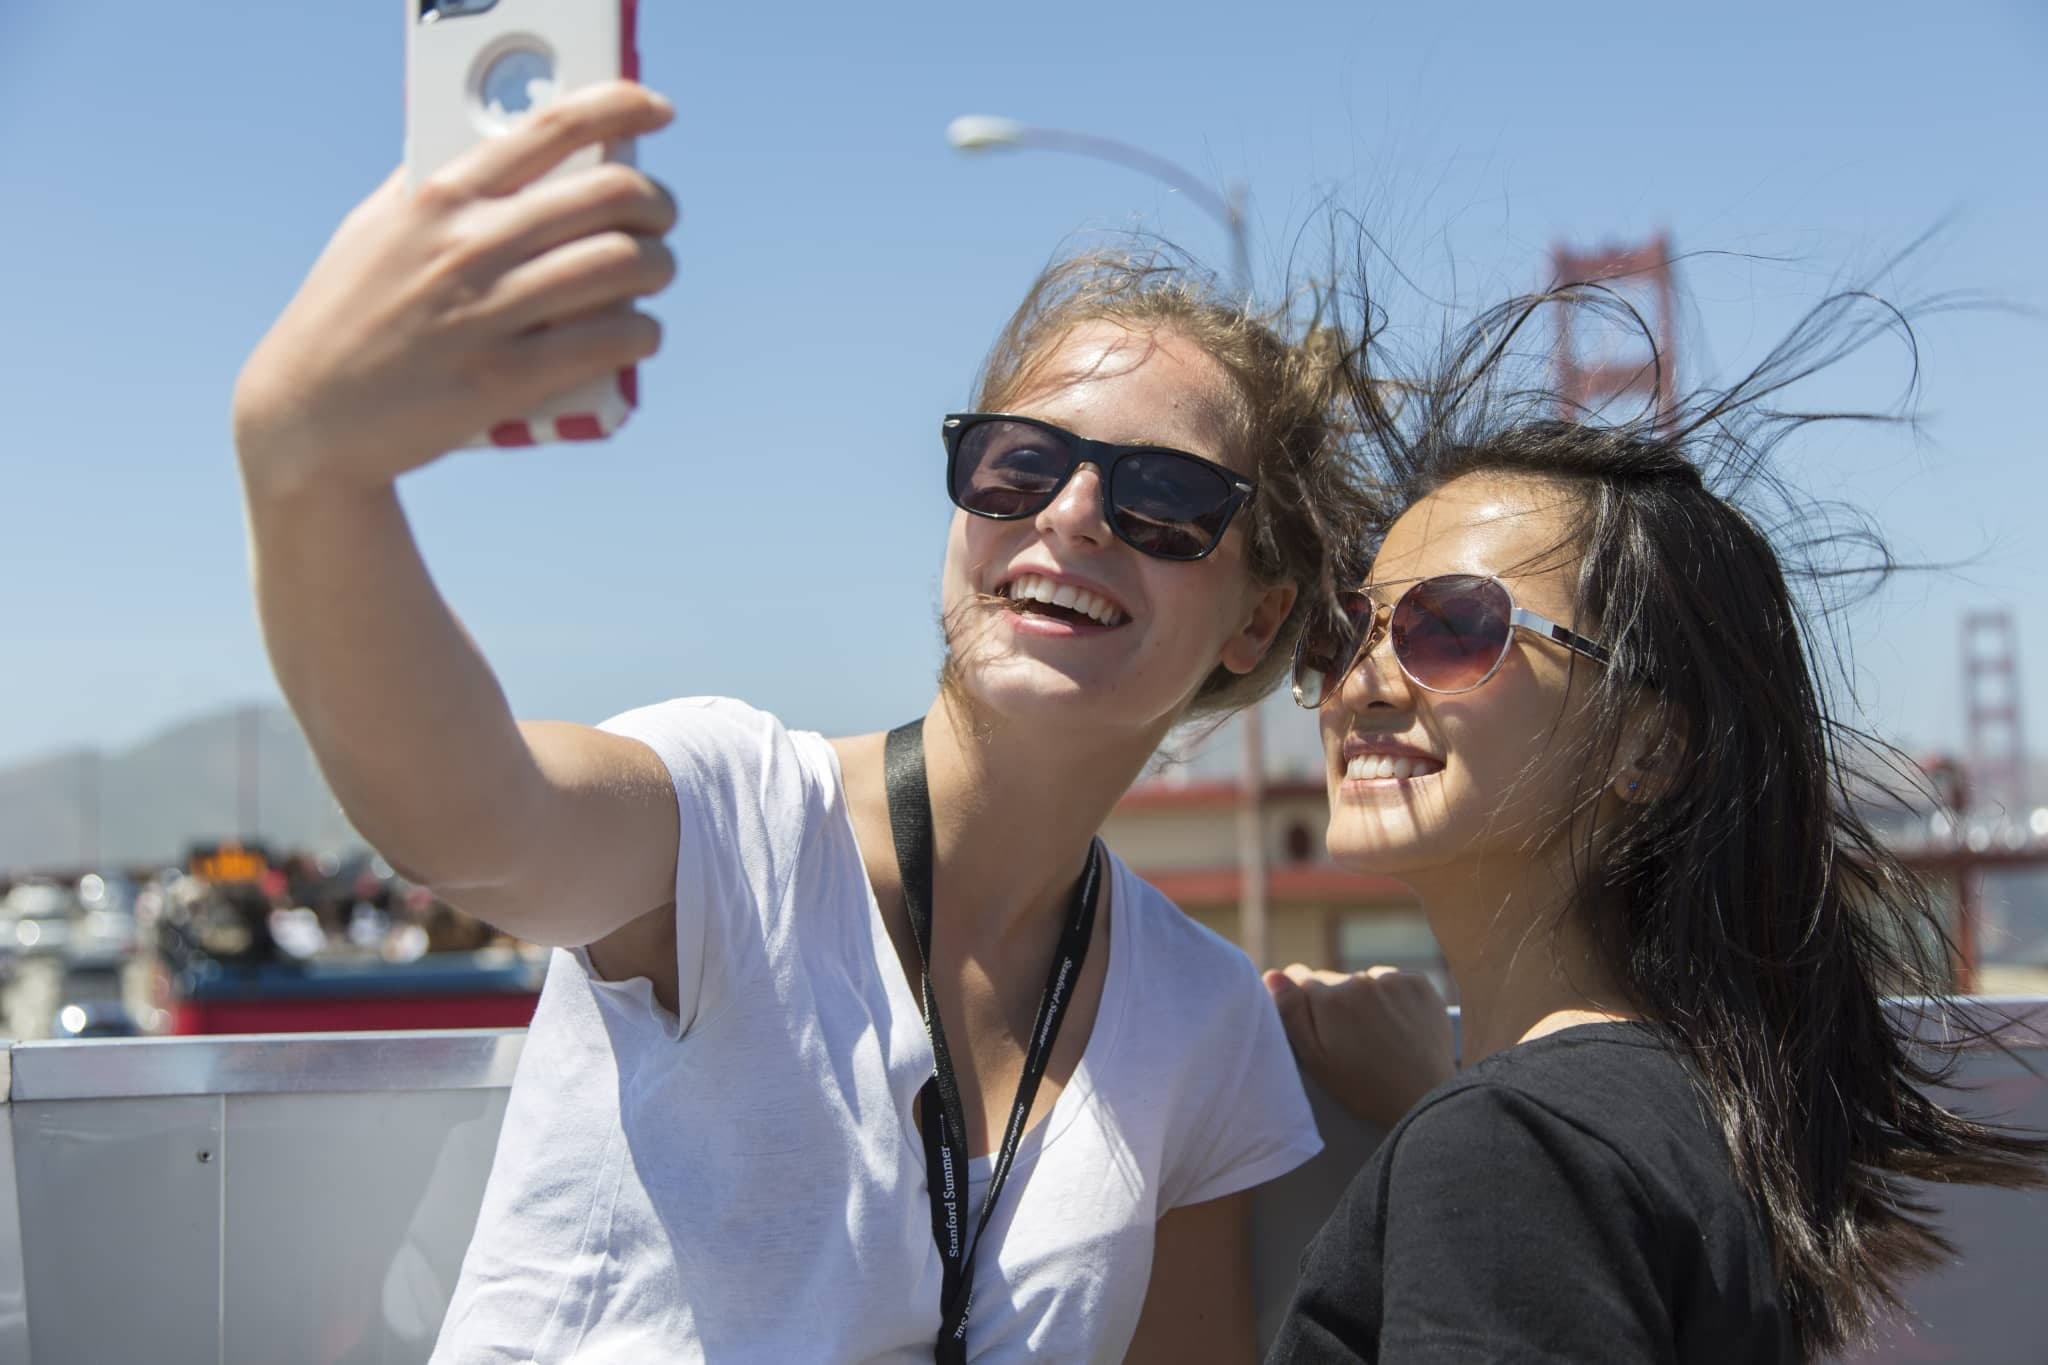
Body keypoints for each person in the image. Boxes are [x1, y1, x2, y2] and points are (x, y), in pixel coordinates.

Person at [231, 81, 1369, 1362]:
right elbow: (473, 822)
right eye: (1018, 464)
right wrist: (311, 474)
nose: (1070, 517)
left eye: (1162, 499)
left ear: (1254, 624)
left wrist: (1432, 1094)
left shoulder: (1200, 1020)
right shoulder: (731, 818)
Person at [1260, 286, 2048, 1362]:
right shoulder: (1688, 1120)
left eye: (1450, 627)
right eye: (1350, 630)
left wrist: (1467, 1131)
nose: (1361, 683)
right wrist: (1435, 1106)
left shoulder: (1517, 1152)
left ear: (1647, 749)